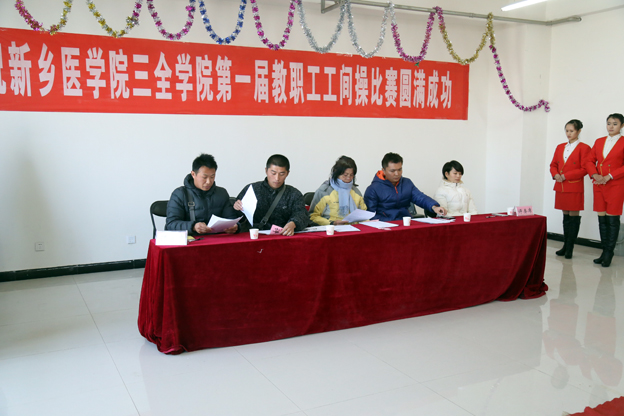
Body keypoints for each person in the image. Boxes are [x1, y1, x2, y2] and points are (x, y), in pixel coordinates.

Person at [234, 154, 309, 236]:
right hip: (254, 236)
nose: (277, 178)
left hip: (283, 236)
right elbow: (237, 218)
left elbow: (301, 214)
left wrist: (293, 223)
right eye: (273, 173)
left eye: (282, 174)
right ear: (266, 171)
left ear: (287, 173)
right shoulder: (252, 189)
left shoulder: (294, 193)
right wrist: (237, 208)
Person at [166, 153, 240, 235]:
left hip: (217, 239)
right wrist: (193, 226)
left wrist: (235, 227)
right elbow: (171, 224)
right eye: (204, 177)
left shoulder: (222, 193)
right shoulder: (180, 194)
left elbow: (231, 219)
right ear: (193, 174)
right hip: (191, 240)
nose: (208, 181)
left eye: (212, 177)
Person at [585, 113, 624, 267]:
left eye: (615, 123)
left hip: (615, 185)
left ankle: (609, 253)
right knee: (602, 220)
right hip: (599, 184)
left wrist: (610, 176)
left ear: (622, 125)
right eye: (609, 123)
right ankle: (604, 251)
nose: (611, 126)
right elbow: (589, 160)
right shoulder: (599, 141)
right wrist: (594, 174)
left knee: (612, 220)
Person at [549, 119, 591, 259]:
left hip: (574, 185)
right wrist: (555, 174)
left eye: (572, 131)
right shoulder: (560, 147)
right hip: (561, 186)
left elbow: (585, 168)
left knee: (573, 216)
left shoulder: (584, 148)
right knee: (565, 216)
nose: (568, 133)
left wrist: (566, 176)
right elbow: (553, 164)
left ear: (579, 131)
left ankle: (570, 248)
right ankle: (565, 245)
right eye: (567, 130)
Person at [364, 152, 447, 221]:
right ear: (384, 171)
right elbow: (370, 215)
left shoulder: (407, 183)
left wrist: (434, 207)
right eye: (392, 171)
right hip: (386, 225)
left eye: (399, 169)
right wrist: (388, 222)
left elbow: (420, 197)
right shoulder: (373, 189)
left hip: (406, 222)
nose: (397, 174)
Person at [309, 156, 367, 226]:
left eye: (351, 175)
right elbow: (312, 217)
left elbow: (364, 215)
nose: (348, 178)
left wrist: (369, 222)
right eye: (345, 175)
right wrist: (332, 223)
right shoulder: (324, 191)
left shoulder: (356, 191)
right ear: (336, 173)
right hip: (332, 229)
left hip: (354, 229)